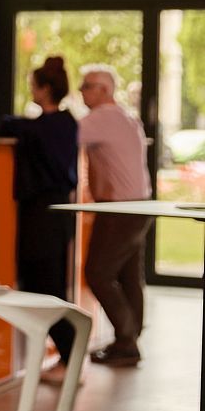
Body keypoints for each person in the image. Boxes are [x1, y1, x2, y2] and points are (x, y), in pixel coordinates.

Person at [0, 56, 78, 381]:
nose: (31, 90)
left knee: (43, 285)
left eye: (34, 86)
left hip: (42, 217)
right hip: (57, 215)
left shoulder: (41, 129)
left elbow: (6, 125)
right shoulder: (66, 125)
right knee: (49, 283)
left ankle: (70, 355)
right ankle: (68, 355)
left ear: (45, 89)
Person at [78, 64, 153, 367]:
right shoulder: (127, 117)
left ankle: (126, 339)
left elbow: (63, 138)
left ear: (104, 90)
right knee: (129, 275)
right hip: (140, 205)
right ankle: (130, 339)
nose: (81, 91)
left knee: (98, 272)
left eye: (86, 86)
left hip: (118, 209)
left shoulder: (101, 118)